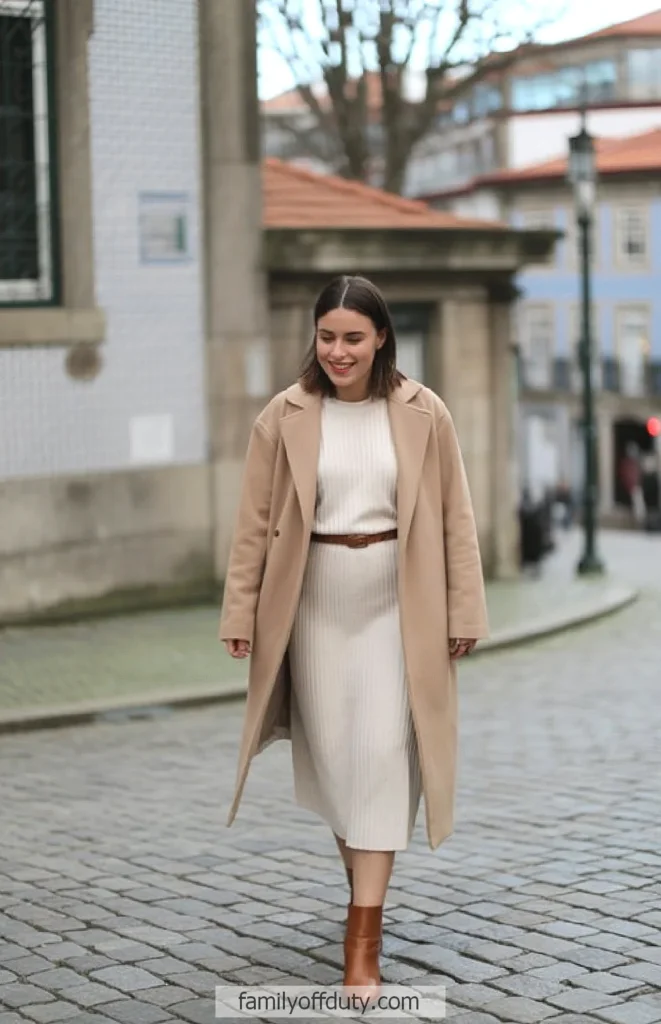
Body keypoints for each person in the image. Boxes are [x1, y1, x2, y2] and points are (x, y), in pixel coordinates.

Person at [219, 274, 489, 998]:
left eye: (353, 338)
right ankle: (363, 877)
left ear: (379, 339)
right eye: (327, 336)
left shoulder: (422, 410)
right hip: (309, 611)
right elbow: (252, 524)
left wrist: (464, 611)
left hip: (399, 610)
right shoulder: (284, 415)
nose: (338, 351)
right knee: (337, 766)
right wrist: (238, 613)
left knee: (378, 757)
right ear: (314, 338)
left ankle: (360, 943)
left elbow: (453, 517)